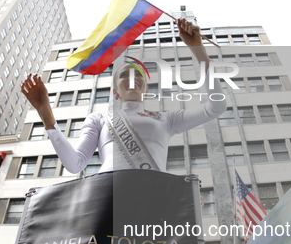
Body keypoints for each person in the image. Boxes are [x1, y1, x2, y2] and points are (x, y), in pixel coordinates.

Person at [21, 18, 226, 172]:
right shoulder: (99, 119)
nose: (131, 78)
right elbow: (75, 164)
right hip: (108, 197)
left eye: (138, 75)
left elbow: (215, 107)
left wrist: (198, 50)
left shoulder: (167, 119)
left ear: (146, 90)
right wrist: (46, 114)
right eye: (123, 75)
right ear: (115, 91)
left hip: (155, 198)